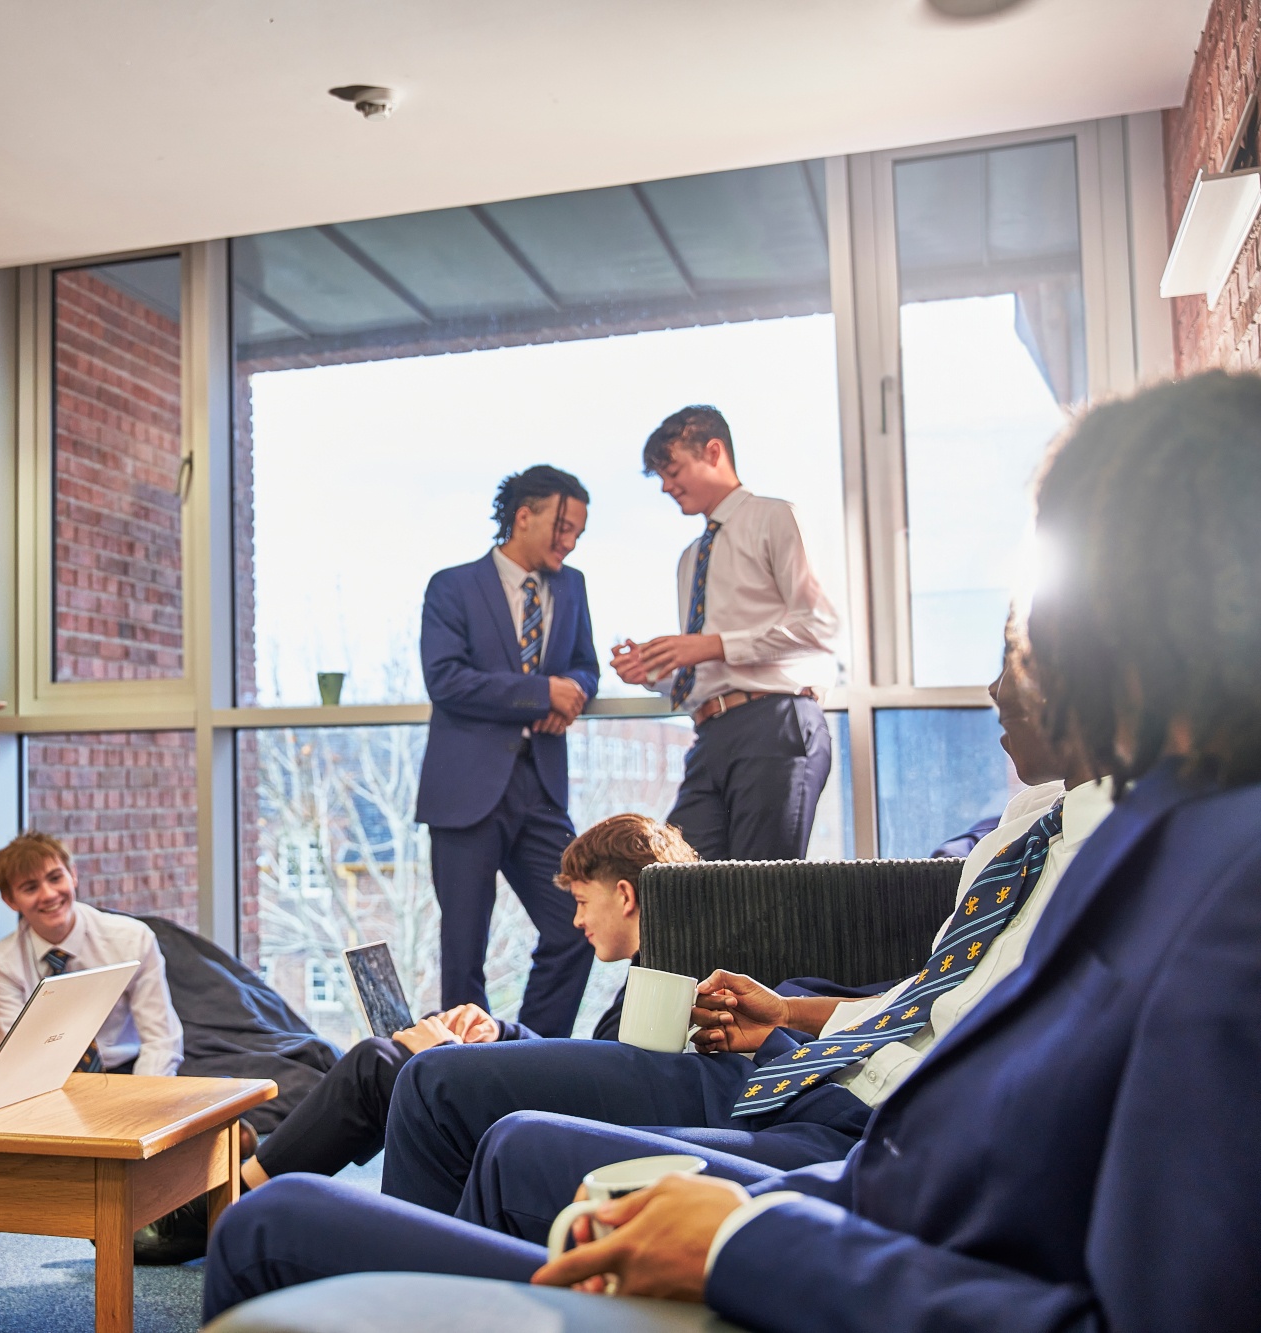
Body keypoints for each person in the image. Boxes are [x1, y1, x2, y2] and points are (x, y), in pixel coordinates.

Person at [218, 370, 1261, 1332]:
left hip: (831, 1214)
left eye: (1050, 589)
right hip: (836, 1156)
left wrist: (739, 1234)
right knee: (522, 1080)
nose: (1017, 657)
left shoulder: (1211, 889)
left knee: (278, 1223)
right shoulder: (1132, 835)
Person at [204, 618, 1110, 1318]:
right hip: (818, 1063)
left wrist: (751, 1236)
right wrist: (792, 1015)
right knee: (418, 1077)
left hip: (860, 1118)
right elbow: (936, 994)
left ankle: (293, 1212)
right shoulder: (1031, 823)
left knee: (426, 1104)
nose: (991, 686)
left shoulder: (1129, 863)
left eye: (1015, 659)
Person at [241, 815, 698, 1189]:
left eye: (581, 901)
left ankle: (234, 1195)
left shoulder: (660, 990)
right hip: (566, 1129)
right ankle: (241, 1187)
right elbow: (598, 1069)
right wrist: (501, 1034)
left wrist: (446, 1060)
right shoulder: (664, 973)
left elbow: (606, 1101)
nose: (577, 920)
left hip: (560, 1142)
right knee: (383, 1060)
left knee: (377, 1064)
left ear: (624, 895)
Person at [416, 465, 604, 1037]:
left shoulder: (571, 587)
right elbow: (445, 679)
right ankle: (462, 1080)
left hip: (541, 787)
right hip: (466, 790)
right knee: (464, 951)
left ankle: (530, 1056)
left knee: (575, 926)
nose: (569, 543)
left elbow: (586, 668)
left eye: (578, 533)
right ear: (525, 516)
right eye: (562, 528)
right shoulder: (451, 586)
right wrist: (538, 693)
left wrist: (571, 692)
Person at [610, 406, 843, 860]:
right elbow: (709, 668)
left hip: (776, 722)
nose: (665, 486)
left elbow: (821, 625)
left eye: (672, 470)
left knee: (759, 894)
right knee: (680, 883)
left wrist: (710, 644)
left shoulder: (775, 518)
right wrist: (653, 670)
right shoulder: (690, 557)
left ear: (713, 451)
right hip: (711, 734)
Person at [0, 830, 183, 1077]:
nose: (48, 894)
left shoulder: (132, 940)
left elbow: (161, 1041)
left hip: (130, 1073)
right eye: (30, 887)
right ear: (10, 901)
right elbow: (12, 1056)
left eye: (55, 878)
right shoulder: (1, 963)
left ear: (73, 875)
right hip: (49, 1083)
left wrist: (143, 1100)